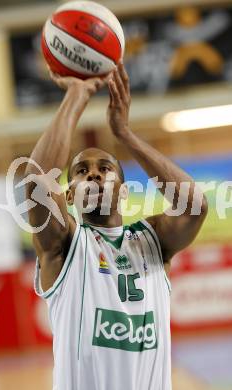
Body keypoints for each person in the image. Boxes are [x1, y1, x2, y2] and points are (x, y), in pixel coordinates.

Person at [25, 62, 208, 390]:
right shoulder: (65, 245)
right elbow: (37, 181)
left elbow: (195, 207)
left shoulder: (152, 241)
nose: (93, 174)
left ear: (123, 191)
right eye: (81, 171)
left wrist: (125, 134)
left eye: (105, 168)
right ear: (69, 196)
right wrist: (77, 95)